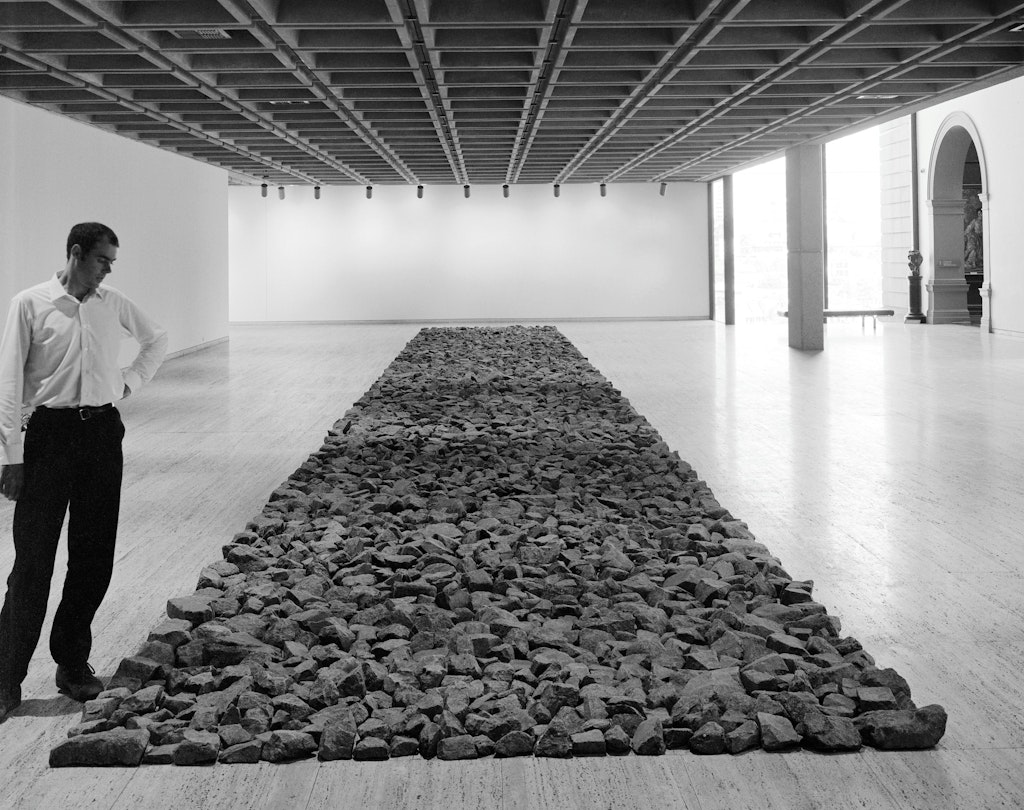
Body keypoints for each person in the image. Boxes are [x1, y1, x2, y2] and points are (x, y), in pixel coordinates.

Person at [0, 222, 167, 722]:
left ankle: (72, 664)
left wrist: (127, 385)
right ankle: (5, 679)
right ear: (76, 254)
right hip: (48, 438)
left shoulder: (112, 303)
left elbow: (156, 341)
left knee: (94, 557)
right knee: (33, 563)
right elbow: (9, 385)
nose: (109, 270)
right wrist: (11, 457)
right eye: (103, 260)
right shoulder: (30, 303)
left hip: (100, 435)